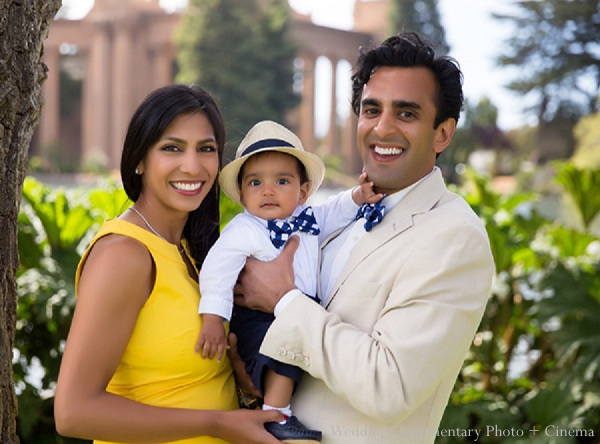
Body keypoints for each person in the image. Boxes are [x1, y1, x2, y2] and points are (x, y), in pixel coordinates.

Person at [233, 32, 496, 444]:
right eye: (371, 110)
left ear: (442, 133)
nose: (382, 128)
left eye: (406, 114)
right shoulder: (334, 213)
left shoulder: (456, 237)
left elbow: (389, 387)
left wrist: (284, 301)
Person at [53, 84, 285, 444]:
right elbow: (73, 412)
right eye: (172, 148)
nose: (192, 166)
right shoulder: (124, 254)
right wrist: (217, 424)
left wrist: (241, 375)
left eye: (206, 149)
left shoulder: (193, 252)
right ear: (139, 160)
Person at [195, 120, 382, 443]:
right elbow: (218, 269)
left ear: (303, 192)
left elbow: (334, 210)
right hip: (257, 315)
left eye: (281, 181)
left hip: (297, 309)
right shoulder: (244, 230)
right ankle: (276, 415)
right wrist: (213, 319)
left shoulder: (308, 219)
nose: (268, 190)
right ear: (241, 194)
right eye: (255, 183)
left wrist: (358, 196)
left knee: (294, 352)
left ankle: (280, 406)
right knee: (284, 352)